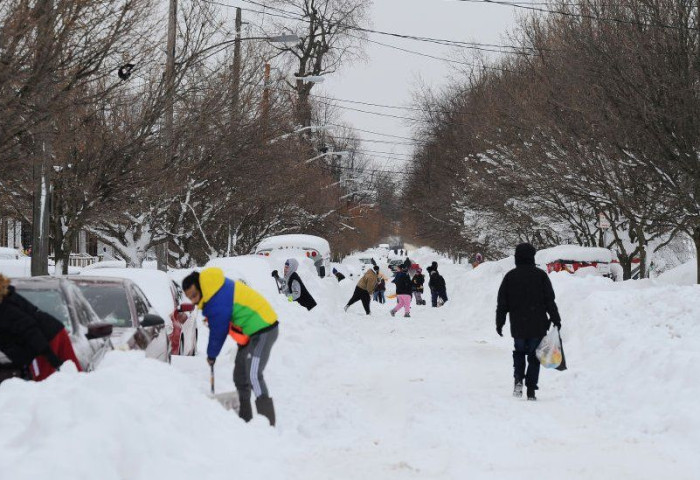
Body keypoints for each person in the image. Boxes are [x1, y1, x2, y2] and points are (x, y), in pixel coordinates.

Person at [182, 268, 279, 425]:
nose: (193, 301)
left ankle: (268, 424)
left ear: (200, 287)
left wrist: (211, 355)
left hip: (263, 328)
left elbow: (218, 331)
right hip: (249, 334)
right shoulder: (213, 291)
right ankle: (245, 419)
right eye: (189, 298)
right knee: (240, 375)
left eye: (194, 295)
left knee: (253, 374)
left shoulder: (215, 297)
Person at [496, 243, 562, 401]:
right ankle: (531, 389)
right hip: (538, 324)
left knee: (519, 352)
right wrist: (555, 318)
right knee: (534, 356)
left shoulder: (510, 276)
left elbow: (502, 303)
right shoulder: (540, 276)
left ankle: (518, 379)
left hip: (518, 324)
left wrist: (500, 322)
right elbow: (549, 300)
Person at [0, 274, 82, 383]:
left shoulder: (6, 309)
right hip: (54, 331)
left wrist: (50, 356)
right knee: (75, 375)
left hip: (44, 342)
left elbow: (30, 329)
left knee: (44, 384)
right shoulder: (8, 299)